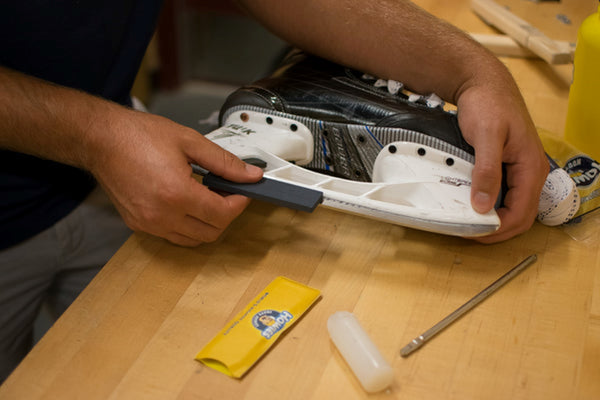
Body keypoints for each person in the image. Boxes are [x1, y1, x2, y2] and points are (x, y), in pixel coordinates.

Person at [0, 0, 548, 383]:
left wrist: (475, 72)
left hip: (119, 171)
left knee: (143, 375)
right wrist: (96, 135)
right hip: (84, 163)